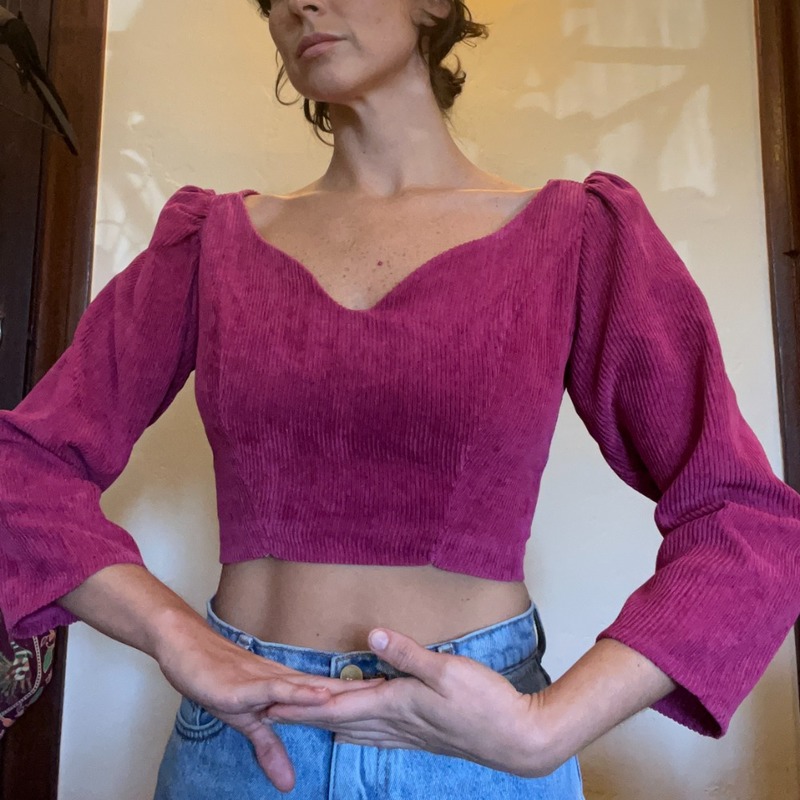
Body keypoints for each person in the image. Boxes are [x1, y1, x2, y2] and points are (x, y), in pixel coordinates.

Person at [1, 0, 799, 797]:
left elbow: (744, 517)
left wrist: (550, 726)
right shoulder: (209, 244)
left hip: (476, 755)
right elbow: (24, 470)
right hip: (246, 750)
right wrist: (171, 631)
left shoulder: (577, 237)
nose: (298, 5)